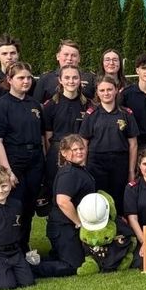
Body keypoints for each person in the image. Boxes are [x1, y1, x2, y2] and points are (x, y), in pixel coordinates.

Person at [0, 61, 46, 254]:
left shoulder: (35, 105)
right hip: (14, 159)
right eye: (21, 78)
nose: (26, 81)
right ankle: (9, 249)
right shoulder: (0, 106)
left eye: (29, 77)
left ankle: (24, 247)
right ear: (10, 80)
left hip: (35, 160)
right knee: (14, 206)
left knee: (29, 207)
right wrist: (7, 171)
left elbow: (42, 136)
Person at [34, 133, 94, 277]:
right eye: (74, 149)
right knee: (74, 265)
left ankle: (35, 260)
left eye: (81, 148)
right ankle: (28, 268)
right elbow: (63, 202)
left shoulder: (78, 170)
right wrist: (79, 223)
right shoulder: (69, 173)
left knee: (67, 258)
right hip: (63, 227)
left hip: (66, 227)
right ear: (64, 153)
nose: (79, 152)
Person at [80, 75, 139, 203]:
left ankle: (120, 223)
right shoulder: (91, 114)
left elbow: (133, 144)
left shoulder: (126, 114)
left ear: (116, 90)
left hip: (120, 162)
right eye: (102, 90)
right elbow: (84, 142)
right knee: (98, 200)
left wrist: (131, 170)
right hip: (96, 162)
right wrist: (83, 166)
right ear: (97, 92)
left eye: (109, 89)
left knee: (119, 199)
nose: (106, 93)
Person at [41, 66, 92, 205]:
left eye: (75, 77)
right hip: (57, 153)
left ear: (80, 80)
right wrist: (52, 156)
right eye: (67, 78)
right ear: (60, 80)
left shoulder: (87, 105)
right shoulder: (51, 105)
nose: (71, 81)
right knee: (58, 194)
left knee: (80, 193)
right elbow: (47, 136)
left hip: (81, 153)